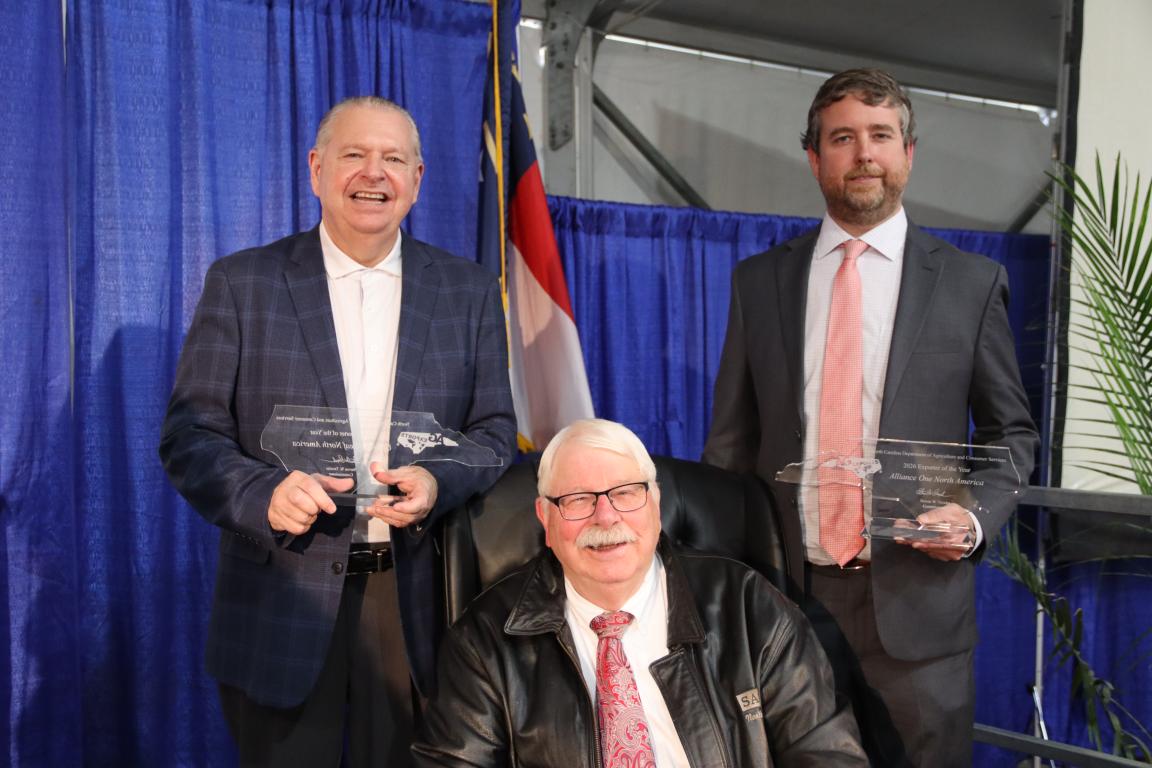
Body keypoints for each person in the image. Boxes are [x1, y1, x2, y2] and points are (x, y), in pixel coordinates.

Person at [159, 96, 517, 767]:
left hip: (416, 596)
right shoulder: (244, 283)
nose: (372, 173)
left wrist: (439, 480)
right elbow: (189, 435)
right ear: (318, 169)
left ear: (417, 178)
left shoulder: (469, 293)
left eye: (392, 159)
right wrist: (260, 494)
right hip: (282, 595)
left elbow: (496, 432)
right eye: (354, 155)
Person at [703, 69, 1039, 767]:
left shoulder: (972, 285)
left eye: (881, 136)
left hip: (921, 615)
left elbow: (1013, 435)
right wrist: (725, 587)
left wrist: (974, 518)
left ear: (909, 153)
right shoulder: (759, 282)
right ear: (814, 157)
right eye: (843, 138)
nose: (864, 154)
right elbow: (730, 450)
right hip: (785, 604)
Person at [412, 418, 867, 767]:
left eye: (626, 493)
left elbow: (827, 754)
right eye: (577, 500)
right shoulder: (484, 642)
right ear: (545, 520)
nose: (606, 518)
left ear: (655, 502)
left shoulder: (748, 606)